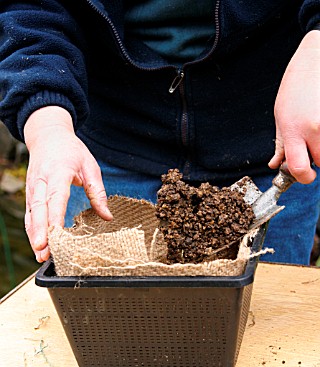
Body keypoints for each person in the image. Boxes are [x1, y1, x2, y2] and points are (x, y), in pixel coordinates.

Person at [0, 1, 320, 265]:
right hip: (113, 143)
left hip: (271, 135)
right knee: (119, 328)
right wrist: (48, 124)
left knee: (268, 329)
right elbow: (28, 11)